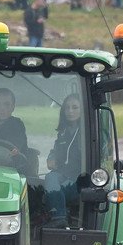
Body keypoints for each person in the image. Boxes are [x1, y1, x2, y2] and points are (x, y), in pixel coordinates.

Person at [44, 94, 83, 227]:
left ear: (82, 109)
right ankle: (55, 218)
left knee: (52, 189)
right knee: (48, 180)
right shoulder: (63, 133)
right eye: (67, 108)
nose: (70, 111)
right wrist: (51, 159)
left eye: (75, 107)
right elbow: (54, 151)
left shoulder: (87, 132)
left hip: (79, 179)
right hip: (62, 175)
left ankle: (59, 218)